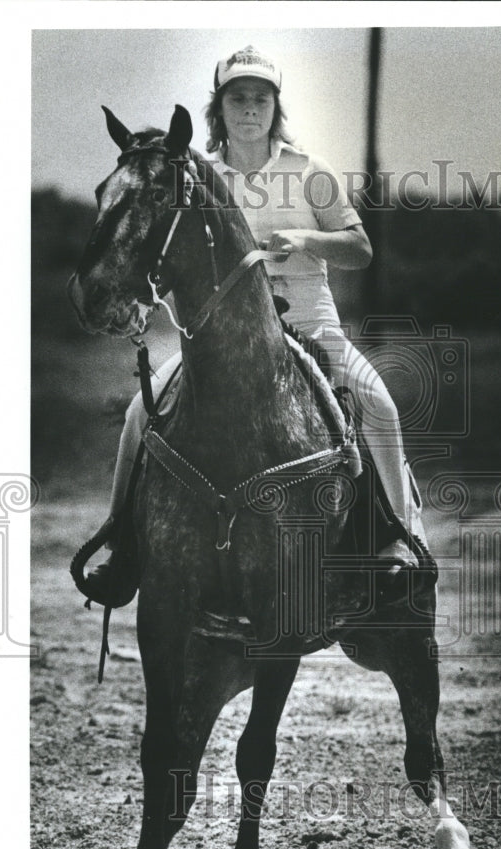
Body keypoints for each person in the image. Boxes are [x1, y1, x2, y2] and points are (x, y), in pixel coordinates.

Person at [83, 45, 424, 606]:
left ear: (275, 107)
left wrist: (306, 239)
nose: (249, 108)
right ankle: (122, 548)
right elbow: (169, 252)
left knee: (378, 405)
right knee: (139, 411)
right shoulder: (199, 176)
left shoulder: (309, 171)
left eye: (260, 98)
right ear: (218, 108)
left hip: (310, 324)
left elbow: (360, 248)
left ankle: (397, 540)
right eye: (237, 97)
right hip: (220, 338)